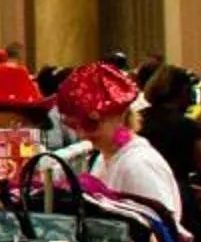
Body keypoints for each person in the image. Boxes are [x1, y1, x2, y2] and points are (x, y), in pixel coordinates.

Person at [57, 63, 185, 227]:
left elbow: (160, 234)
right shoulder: (105, 158)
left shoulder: (140, 165)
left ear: (121, 115)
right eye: (73, 126)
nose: (81, 134)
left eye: (91, 123)